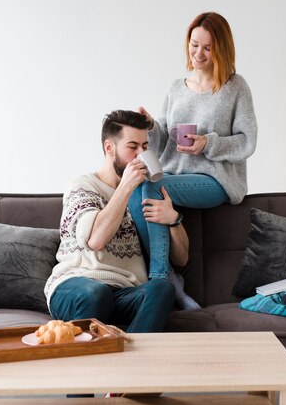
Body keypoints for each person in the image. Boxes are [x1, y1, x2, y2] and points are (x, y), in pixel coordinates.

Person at [131, 11, 257, 309]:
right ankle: (173, 284)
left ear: (221, 49)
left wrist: (207, 144)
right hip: (178, 175)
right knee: (137, 189)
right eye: (194, 44)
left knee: (152, 188)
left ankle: (161, 281)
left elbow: (247, 140)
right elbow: (162, 140)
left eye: (207, 47)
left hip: (217, 180)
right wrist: (150, 124)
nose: (198, 53)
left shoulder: (235, 87)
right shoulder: (176, 88)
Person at [44, 109, 189, 332]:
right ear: (109, 148)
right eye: (133, 147)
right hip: (76, 285)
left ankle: (132, 359)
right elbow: (95, 241)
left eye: (145, 147)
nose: (140, 154)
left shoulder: (147, 193)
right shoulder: (83, 186)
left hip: (125, 292)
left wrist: (174, 220)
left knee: (162, 289)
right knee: (97, 293)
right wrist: (126, 187)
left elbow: (181, 259)